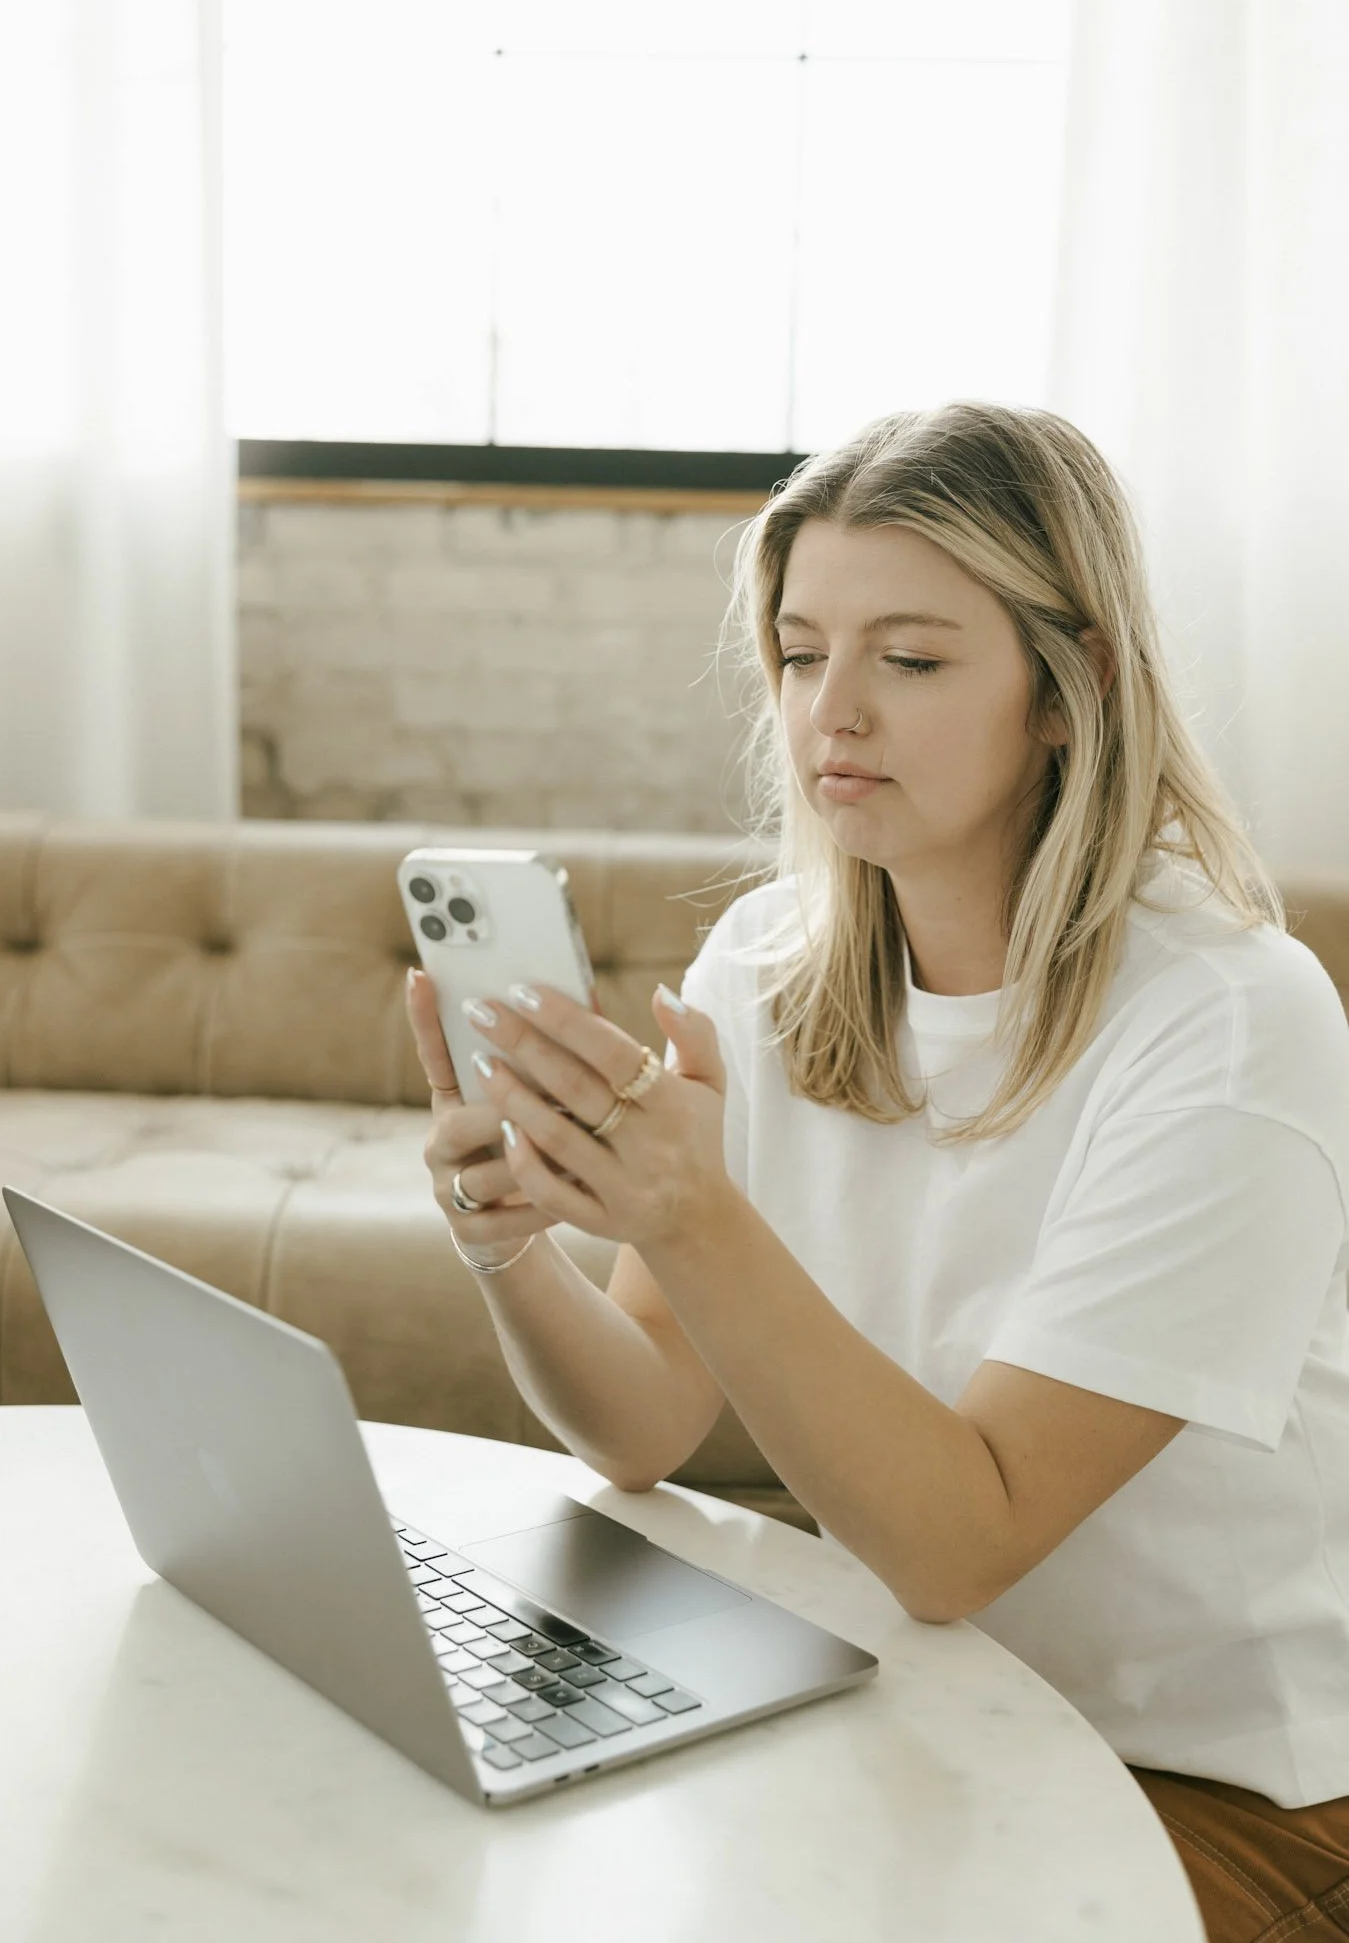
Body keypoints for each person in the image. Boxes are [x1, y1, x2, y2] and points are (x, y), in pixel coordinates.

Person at [405, 402, 1349, 1942]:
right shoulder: (769, 962)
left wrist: (692, 1214)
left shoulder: (1232, 1022)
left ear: (1070, 687)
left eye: (909, 661)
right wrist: (508, 1241)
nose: (833, 711)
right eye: (798, 653)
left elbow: (960, 1541)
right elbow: (646, 1417)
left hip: (1213, 1789)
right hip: (927, 1715)